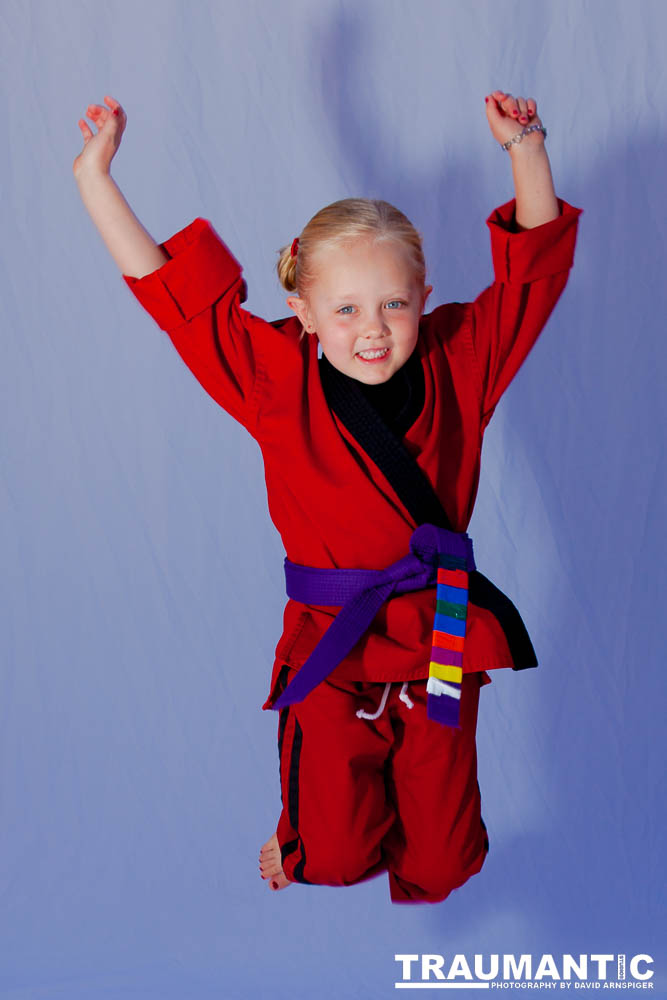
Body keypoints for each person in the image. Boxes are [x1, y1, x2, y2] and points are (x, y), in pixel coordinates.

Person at [73, 91, 583, 904]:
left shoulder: (462, 360)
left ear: (423, 296)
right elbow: (175, 300)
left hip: (439, 636)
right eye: (344, 309)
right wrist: (96, 177)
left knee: (445, 864)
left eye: (393, 303)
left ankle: (374, 831)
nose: (372, 328)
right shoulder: (275, 377)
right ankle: (302, 820)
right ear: (301, 310)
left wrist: (524, 146)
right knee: (334, 857)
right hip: (332, 646)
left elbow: (532, 282)